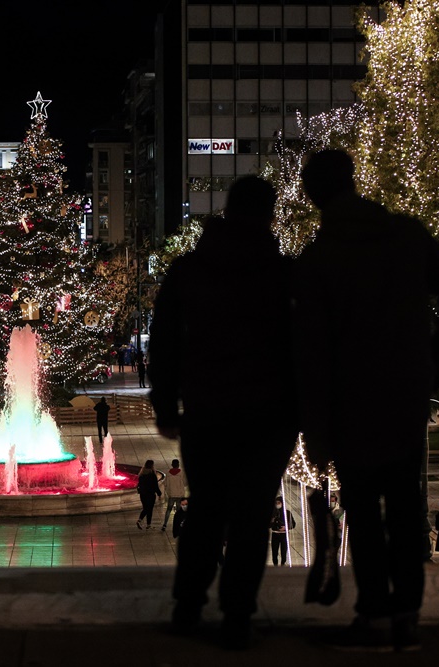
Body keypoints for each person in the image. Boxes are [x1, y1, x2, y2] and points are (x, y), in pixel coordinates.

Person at [292, 149, 439, 651]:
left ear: (312, 195)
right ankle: (407, 616)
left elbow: (312, 353)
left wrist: (315, 427)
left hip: (351, 402)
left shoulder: (319, 259)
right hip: (403, 393)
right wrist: (434, 361)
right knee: (402, 502)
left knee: (365, 512)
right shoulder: (406, 236)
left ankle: (373, 610)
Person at [148, 177, 299, 649]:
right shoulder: (283, 273)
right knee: (252, 516)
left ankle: (188, 607)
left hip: (208, 410)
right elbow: (304, 348)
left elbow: (165, 342)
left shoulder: (191, 269)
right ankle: (237, 614)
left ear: (227, 212)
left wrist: (165, 403)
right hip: (268, 415)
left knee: (208, 511)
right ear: (270, 216)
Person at [160, 459, 188, 531]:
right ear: (178, 465)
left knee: (168, 510)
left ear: (172, 465)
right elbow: (185, 483)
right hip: (179, 494)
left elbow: (165, 484)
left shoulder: (168, 474)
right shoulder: (181, 473)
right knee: (179, 511)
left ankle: (164, 525)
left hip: (171, 494)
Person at [135, 459, 162, 529]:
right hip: (150, 495)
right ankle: (140, 520)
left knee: (146, 508)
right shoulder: (152, 474)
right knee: (149, 509)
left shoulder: (141, 474)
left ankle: (148, 524)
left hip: (143, 495)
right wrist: (159, 494)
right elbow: (155, 486)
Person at [270, 497, 296, 566]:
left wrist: (286, 527)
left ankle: (282, 564)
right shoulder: (273, 513)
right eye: (276, 503)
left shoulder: (287, 513)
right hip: (275, 534)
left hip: (284, 535)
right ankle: (275, 565)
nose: (277, 505)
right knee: (274, 552)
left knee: (283, 551)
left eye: (279, 503)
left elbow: (293, 524)